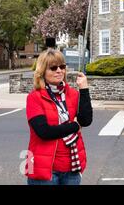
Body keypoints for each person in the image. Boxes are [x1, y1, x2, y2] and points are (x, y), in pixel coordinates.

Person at [25, 49, 93, 185]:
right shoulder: (35, 98)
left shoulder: (73, 94)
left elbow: (86, 120)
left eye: (62, 67)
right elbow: (44, 132)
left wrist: (84, 89)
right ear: (43, 71)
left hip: (72, 167)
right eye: (53, 68)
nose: (59, 71)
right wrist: (74, 126)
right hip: (45, 170)